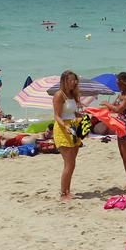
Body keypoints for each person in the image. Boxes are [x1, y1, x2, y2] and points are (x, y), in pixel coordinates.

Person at [51, 70, 84, 200]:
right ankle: (63, 193)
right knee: (68, 163)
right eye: (70, 80)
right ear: (64, 81)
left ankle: (67, 191)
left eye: (74, 80)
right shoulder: (59, 95)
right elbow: (57, 116)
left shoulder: (73, 94)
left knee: (72, 163)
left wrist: (81, 116)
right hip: (62, 129)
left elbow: (72, 112)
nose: (73, 82)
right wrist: (65, 126)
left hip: (74, 127)